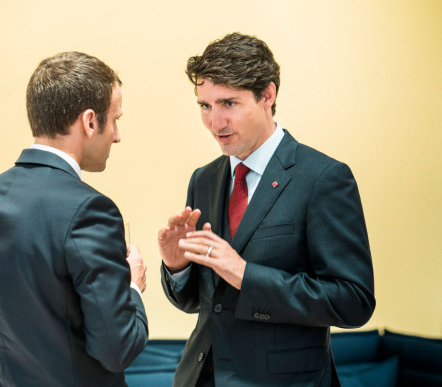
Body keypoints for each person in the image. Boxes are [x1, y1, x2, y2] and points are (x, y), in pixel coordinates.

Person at [159, 33, 375, 386]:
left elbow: (353, 301)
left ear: (268, 96)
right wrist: (177, 266)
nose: (216, 123)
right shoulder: (204, 179)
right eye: (205, 106)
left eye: (229, 103)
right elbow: (204, 303)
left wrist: (246, 274)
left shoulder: (323, 178)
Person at [0, 51, 148, 387]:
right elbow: (117, 349)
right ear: (89, 122)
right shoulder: (91, 210)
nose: (117, 135)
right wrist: (132, 287)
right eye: (115, 120)